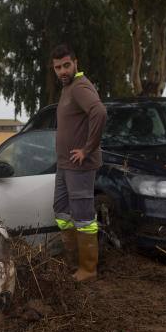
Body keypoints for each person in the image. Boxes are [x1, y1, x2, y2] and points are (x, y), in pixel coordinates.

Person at [51, 44, 107, 281]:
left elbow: (99, 112)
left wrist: (87, 149)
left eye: (66, 65)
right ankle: (73, 264)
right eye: (57, 67)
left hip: (80, 165)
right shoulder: (68, 88)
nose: (62, 71)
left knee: (83, 217)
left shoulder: (80, 86)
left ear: (75, 63)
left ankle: (88, 269)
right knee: (62, 211)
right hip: (65, 165)